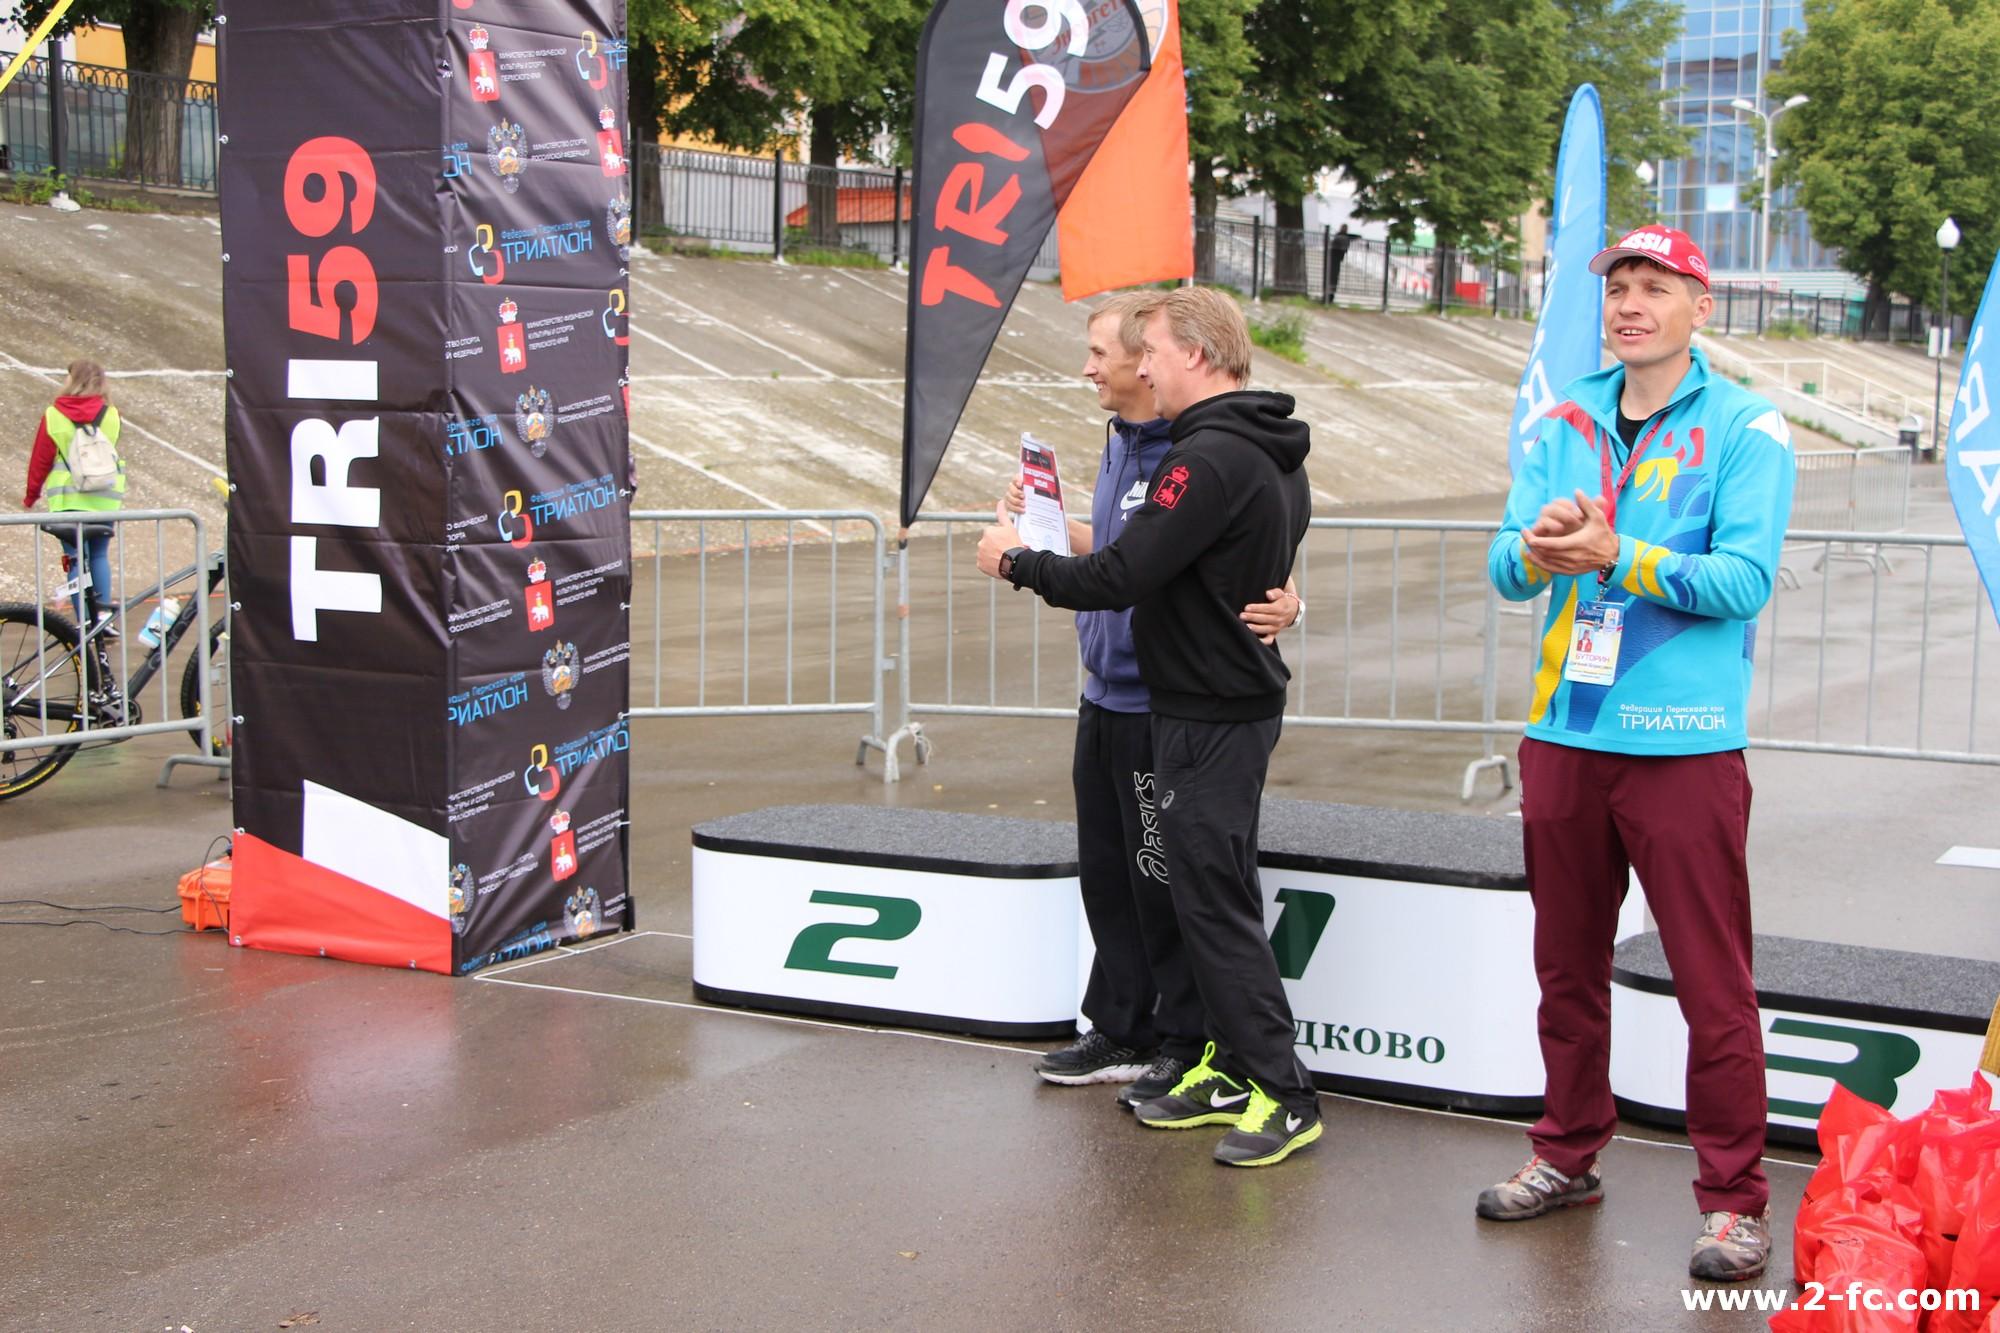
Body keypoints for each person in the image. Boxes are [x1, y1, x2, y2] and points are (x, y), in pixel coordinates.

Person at [1480, 225, 1796, 1281]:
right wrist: (1538, 549)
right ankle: (1565, 1152)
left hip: (1683, 744)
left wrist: (1619, 553)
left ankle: (1734, 1201)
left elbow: (1744, 581)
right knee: (1564, 968)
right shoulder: (1562, 416)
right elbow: (1504, 564)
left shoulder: (1747, 424)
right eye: (1618, 285)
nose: (1629, 303)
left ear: (1700, 308)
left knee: (1712, 981)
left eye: (1654, 286)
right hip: (1563, 733)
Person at [977, 286, 1319, 1168]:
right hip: (1203, 702)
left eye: (1151, 350)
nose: (1140, 365)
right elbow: (1208, 562)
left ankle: (1284, 1094)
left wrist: (1016, 561)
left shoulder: (1204, 457)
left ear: (1194, 355)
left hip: (1210, 710)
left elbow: (1122, 574)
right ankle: (1229, 1067)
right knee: (1200, 898)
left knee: (1212, 905)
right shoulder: (1255, 448)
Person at [24, 359, 125, 630]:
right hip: (103, 497)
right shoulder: (112, 414)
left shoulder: (54, 414)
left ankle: (86, 620)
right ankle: (102, 617)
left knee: (75, 560)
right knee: (100, 555)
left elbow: (41, 460)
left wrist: (31, 494)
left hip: (68, 498)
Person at [1326, 224, 1353, 303]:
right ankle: (1330, 296)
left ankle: (1329, 296)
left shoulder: (1338, 236)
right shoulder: (1344, 237)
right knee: (1333, 278)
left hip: (1333, 258)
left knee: (1332, 278)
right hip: (1336, 258)